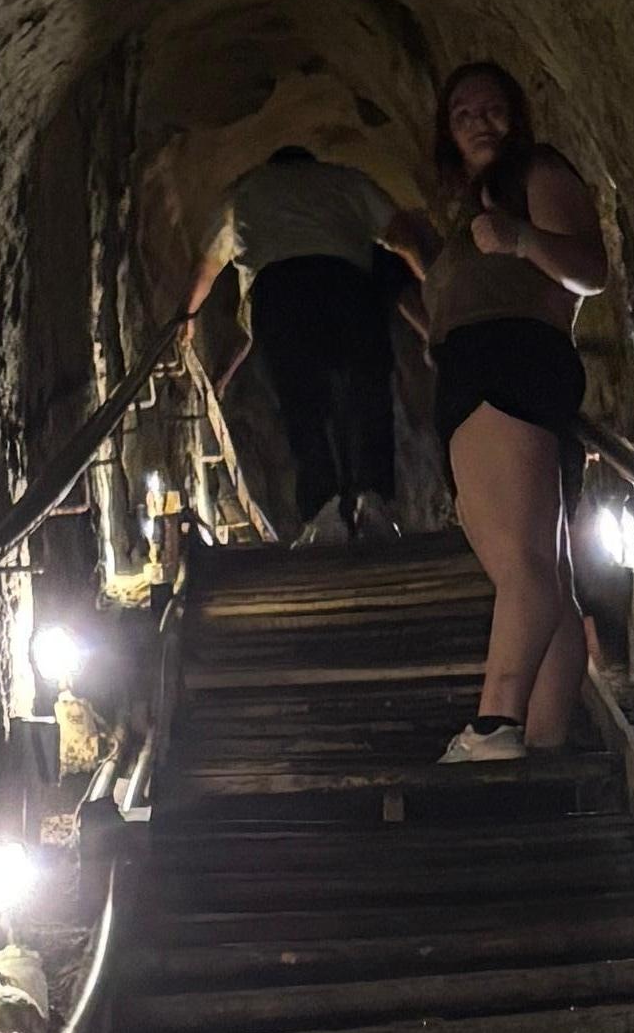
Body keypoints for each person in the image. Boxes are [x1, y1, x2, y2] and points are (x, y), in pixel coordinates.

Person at [422, 60, 606, 758]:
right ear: (447, 131)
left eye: (491, 107)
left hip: (505, 362)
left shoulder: (536, 172)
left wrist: (521, 239)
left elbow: (589, 270)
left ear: (517, 114)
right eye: (463, 113)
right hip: (482, 367)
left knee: (525, 567)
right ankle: (544, 743)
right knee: (541, 579)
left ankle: (494, 726)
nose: (479, 122)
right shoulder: (467, 209)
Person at [204, 140, 420, 545]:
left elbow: (207, 266)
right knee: (367, 394)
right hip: (348, 285)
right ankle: (373, 501)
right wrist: (437, 286)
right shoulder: (346, 180)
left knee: (301, 403)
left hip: (280, 292)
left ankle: (324, 512)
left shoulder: (247, 190)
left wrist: (185, 320)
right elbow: (403, 236)